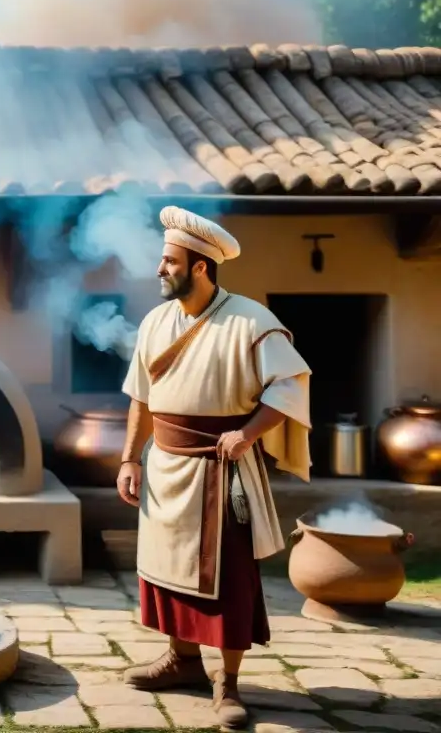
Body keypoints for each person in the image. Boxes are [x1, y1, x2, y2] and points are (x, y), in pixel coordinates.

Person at [117, 206, 312, 729]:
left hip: (221, 470)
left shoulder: (250, 321)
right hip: (165, 467)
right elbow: (140, 397)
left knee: (226, 580)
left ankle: (227, 684)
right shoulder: (155, 321)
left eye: (168, 261)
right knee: (165, 573)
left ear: (200, 266)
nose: (159, 269)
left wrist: (248, 433)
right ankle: (182, 662)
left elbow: (290, 386)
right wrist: (130, 458)